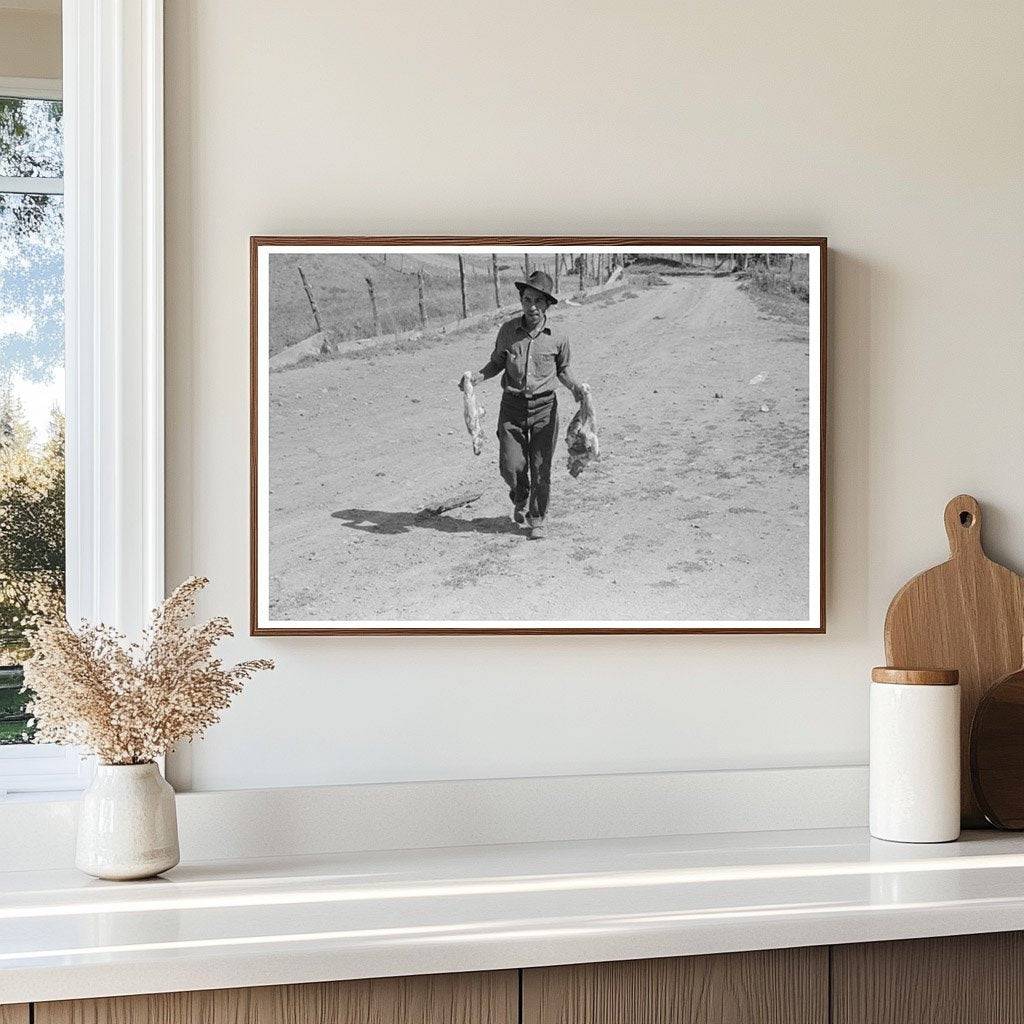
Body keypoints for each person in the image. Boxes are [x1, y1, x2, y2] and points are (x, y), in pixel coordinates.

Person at [459, 269, 586, 540]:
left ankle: (537, 517)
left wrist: (576, 388)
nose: (532, 306)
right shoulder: (508, 331)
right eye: (527, 299)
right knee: (510, 465)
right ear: (521, 300)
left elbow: (563, 370)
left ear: (548, 304)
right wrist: (477, 378)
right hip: (512, 408)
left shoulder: (558, 336)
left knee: (541, 467)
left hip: (544, 409)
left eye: (539, 301)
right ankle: (521, 494)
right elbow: (496, 362)